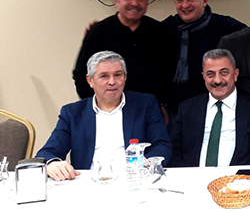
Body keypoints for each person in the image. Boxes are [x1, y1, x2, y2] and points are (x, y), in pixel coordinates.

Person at [37, 51, 171, 181]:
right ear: (90, 80)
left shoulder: (145, 105)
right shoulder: (73, 113)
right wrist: (52, 164)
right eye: (104, 76)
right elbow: (48, 153)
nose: (112, 82)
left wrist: (149, 163)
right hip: (88, 184)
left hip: (133, 180)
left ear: (125, 78)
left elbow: (162, 144)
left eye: (117, 75)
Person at [72, 0, 172, 109]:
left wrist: (162, 105)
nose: (134, 3)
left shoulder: (160, 32)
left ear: (147, 2)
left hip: (150, 111)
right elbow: (81, 74)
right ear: (117, 1)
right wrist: (96, 108)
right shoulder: (98, 32)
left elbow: (168, 74)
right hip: (108, 110)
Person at [169, 49, 250, 167]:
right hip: (193, 175)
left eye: (224, 73)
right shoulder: (187, 108)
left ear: (235, 74)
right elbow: (174, 151)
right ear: (203, 76)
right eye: (210, 74)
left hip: (238, 176)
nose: (217, 80)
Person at [162, 0, 247, 114]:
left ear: (204, 0)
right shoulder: (164, 29)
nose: (185, 5)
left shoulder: (226, 27)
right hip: (171, 110)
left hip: (211, 108)